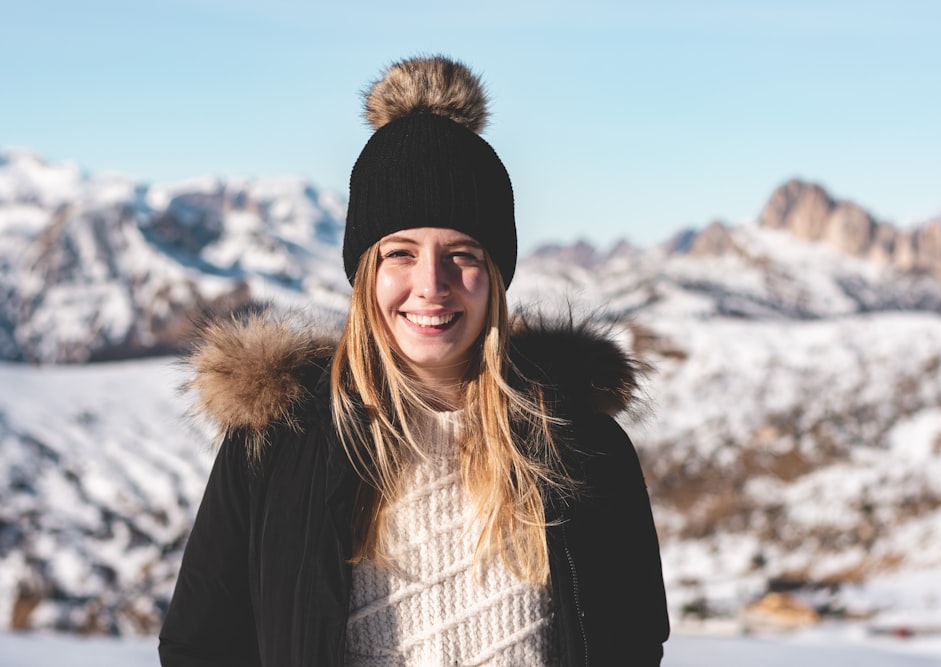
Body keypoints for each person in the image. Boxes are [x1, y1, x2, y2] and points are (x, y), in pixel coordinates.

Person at [158, 55, 669, 667]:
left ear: (496, 278)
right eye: (400, 253)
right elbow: (200, 648)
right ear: (364, 274)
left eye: (463, 254)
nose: (431, 285)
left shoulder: (583, 446)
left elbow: (634, 644)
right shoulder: (277, 447)